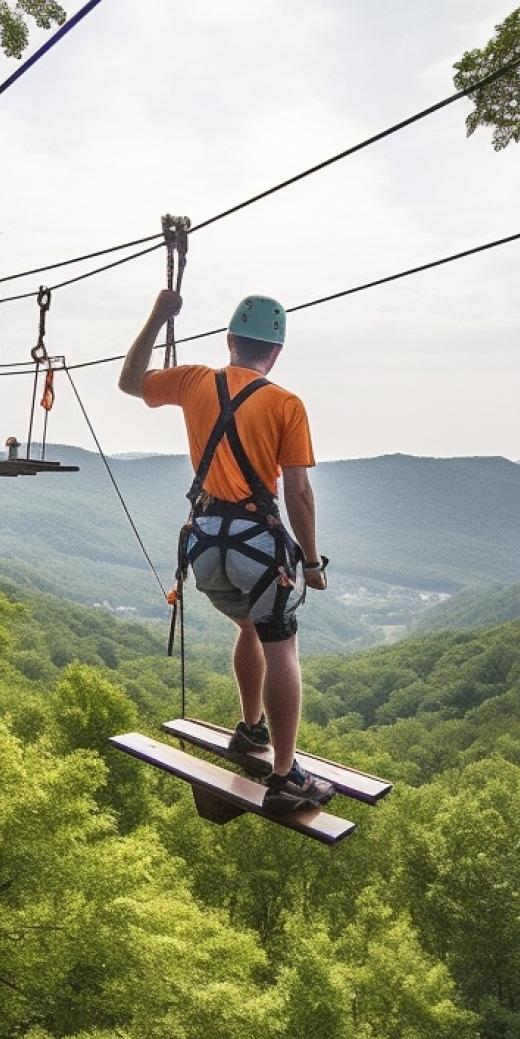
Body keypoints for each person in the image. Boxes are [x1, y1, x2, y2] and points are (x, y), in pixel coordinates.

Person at [119, 290, 334, 812]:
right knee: (281, 645)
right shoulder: (285, 404)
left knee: (249, 628)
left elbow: (130, 381)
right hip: (255, 547)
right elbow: (298, 492)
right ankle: (286, 776)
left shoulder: (195, 381)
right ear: (275, 353)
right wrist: (310, 561)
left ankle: (251, 729)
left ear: (230, 341)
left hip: (205, 543)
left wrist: (158, 316)